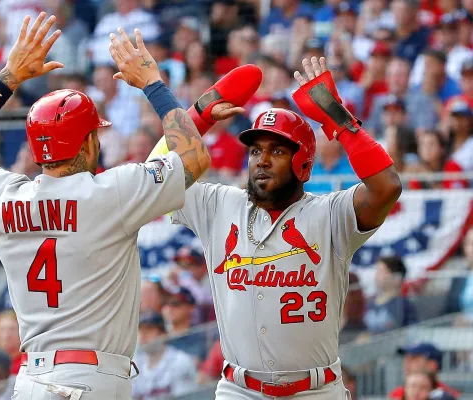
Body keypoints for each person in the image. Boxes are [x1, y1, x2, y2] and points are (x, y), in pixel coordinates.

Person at [0, 13, 257, 400]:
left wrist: (9, 75)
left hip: (31, 378)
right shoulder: (110, 192)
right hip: (92, 379)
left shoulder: (2, 197)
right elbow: (193, 157)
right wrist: (153, 84)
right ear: (89, 143)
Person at [149, 56, 402, 398]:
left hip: (315, 391)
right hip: (239, 389)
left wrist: (337, 118)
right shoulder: (219, 204)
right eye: (255, 151)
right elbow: (154, 179)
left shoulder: (331, 214)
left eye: (278, 151)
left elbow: (387, 188)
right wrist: (199, 115)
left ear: (304, 166)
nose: (262, 160)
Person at [131, 312, 197, 399]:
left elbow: (186, 397)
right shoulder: (135, 365)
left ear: (163, 333)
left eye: (149, 330)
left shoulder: (180, 361)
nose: (143, 335)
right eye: (140, 330)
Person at [363, 256, 418, 334]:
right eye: (377, 271)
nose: (376, 276)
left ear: (396, 277)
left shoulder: (403, 305)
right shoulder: (369, 304)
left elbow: (413, 332)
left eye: (381, 272)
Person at [388, 343, 460, 399]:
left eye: (413, 359)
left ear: (432, 365)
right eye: (406, 359)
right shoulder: (398, 393)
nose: (406, 364)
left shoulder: (447, 395)